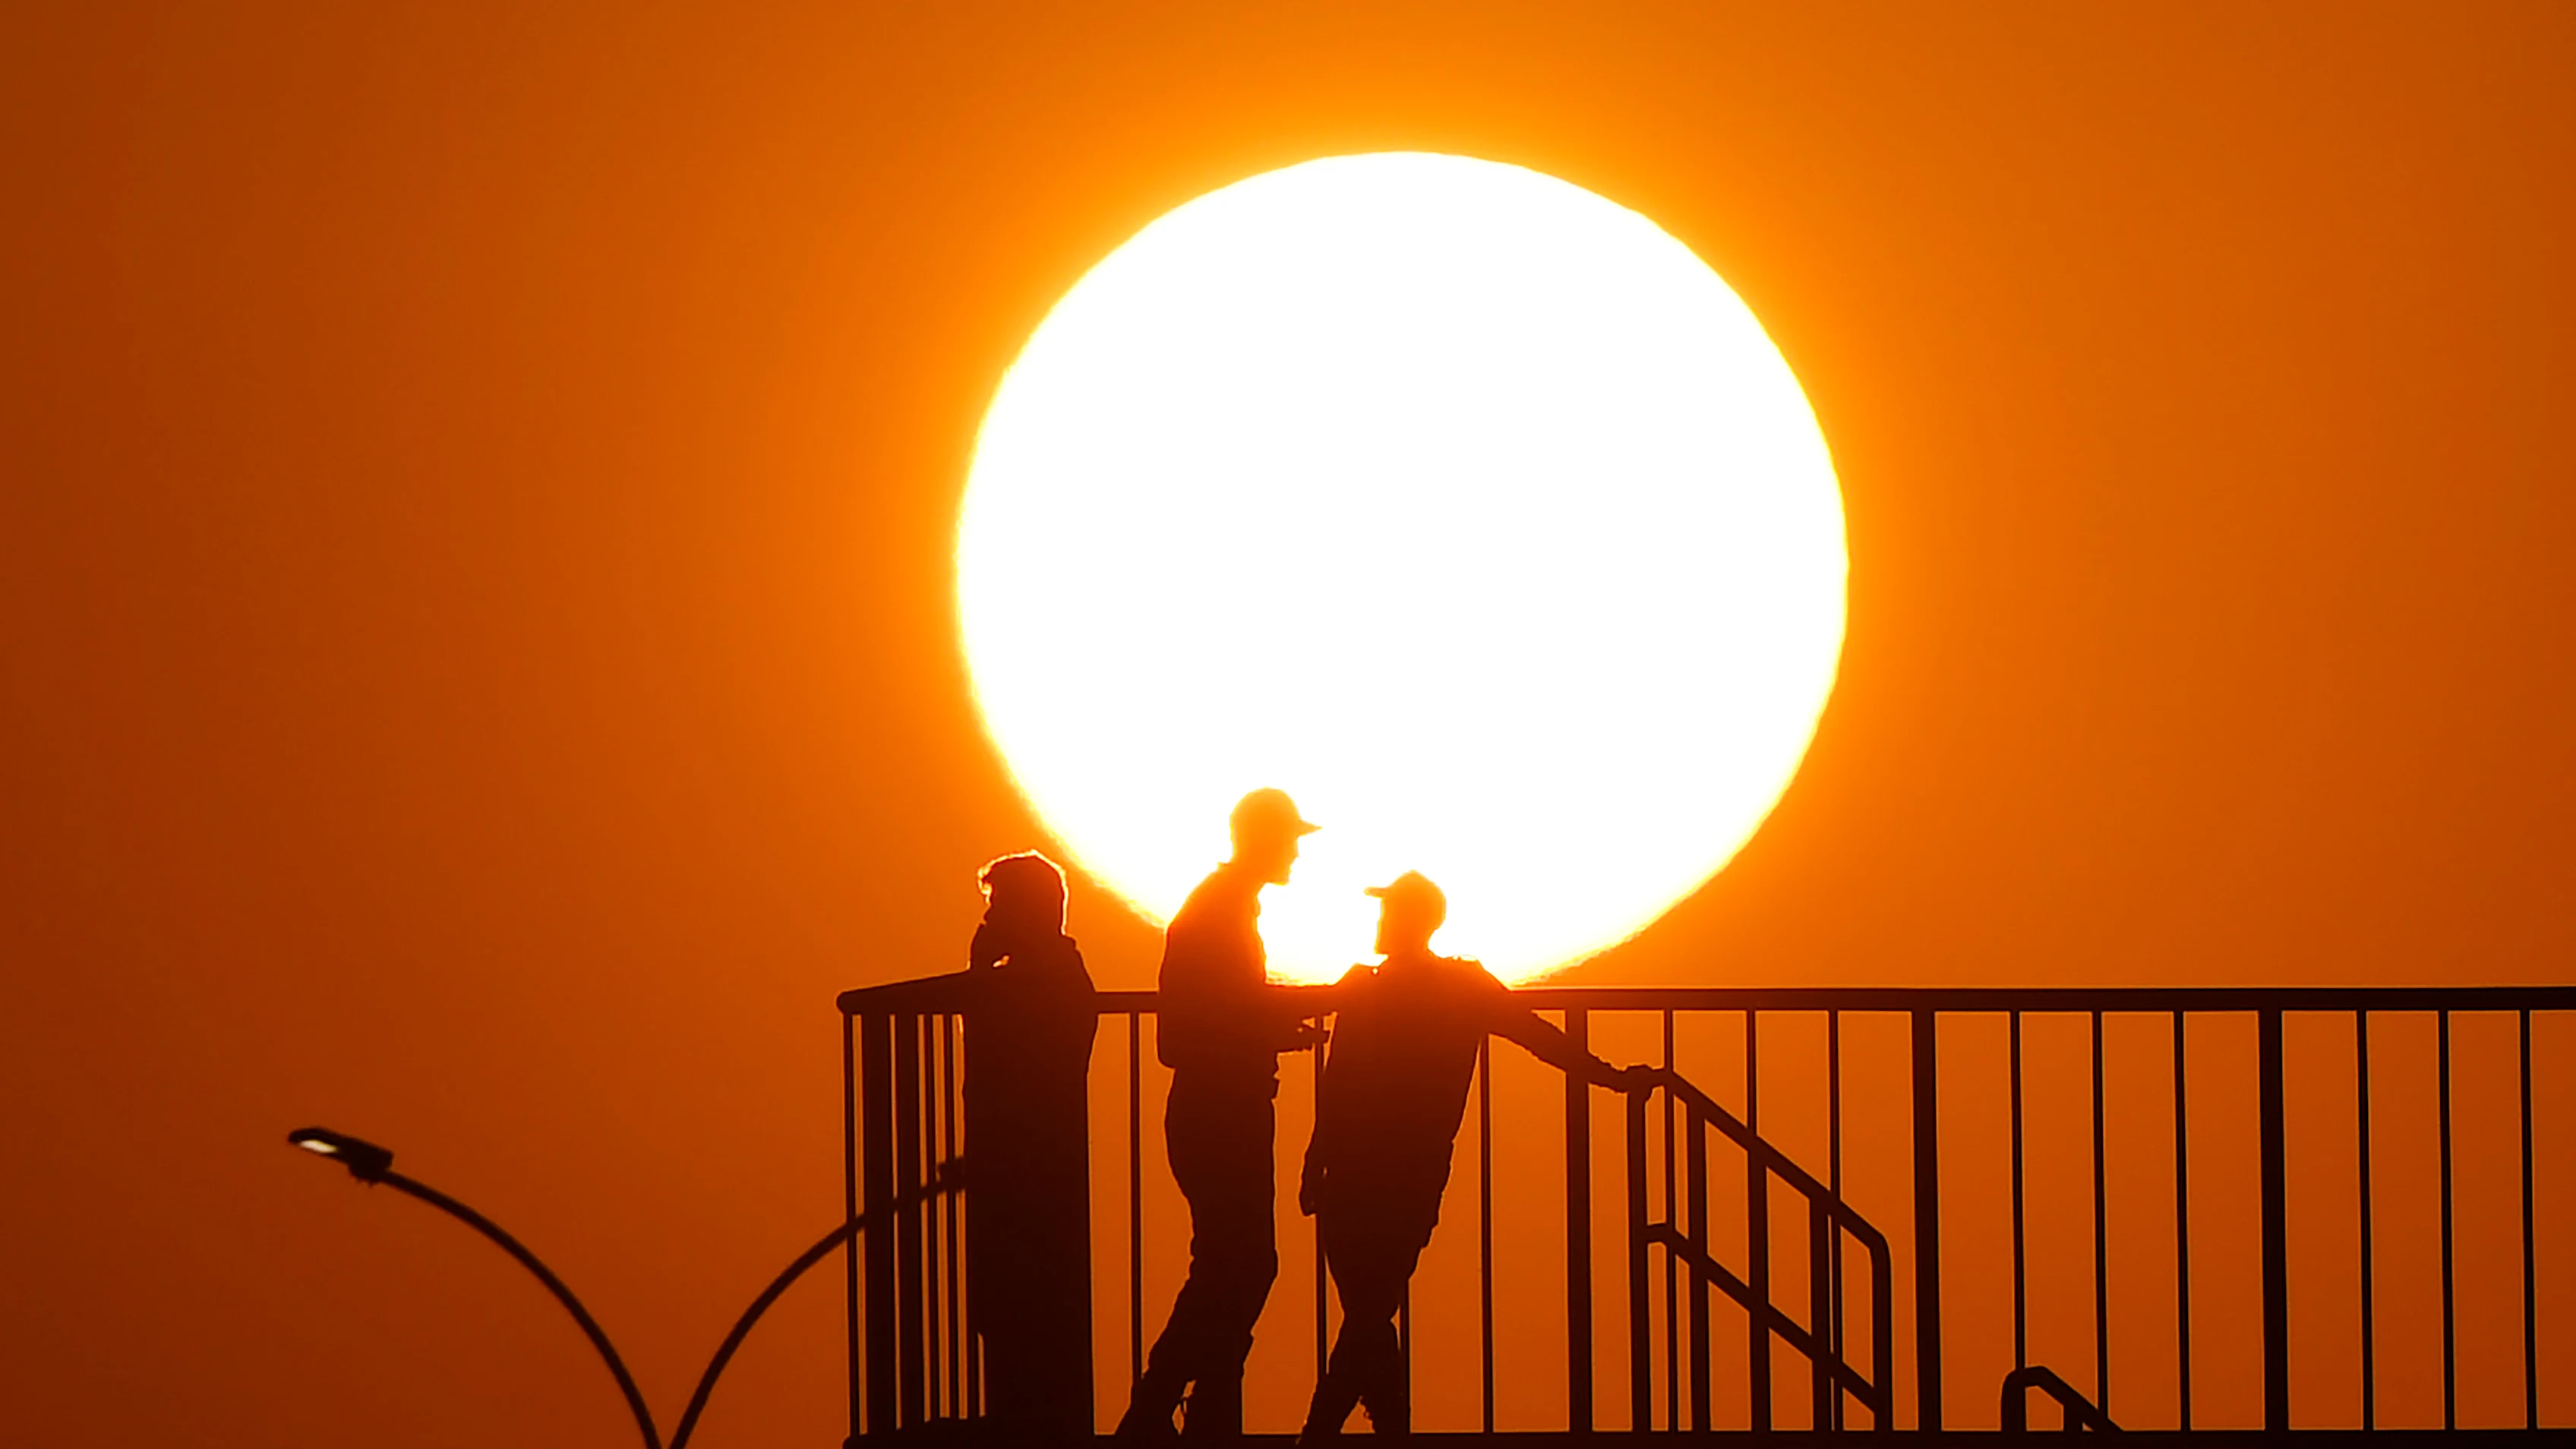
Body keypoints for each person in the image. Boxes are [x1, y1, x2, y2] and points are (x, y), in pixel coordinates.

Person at [1296, 871, 1653, 1441]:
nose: (1380, 921)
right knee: (1370, 1311)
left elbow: (1538, 1039)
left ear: (1415, 921)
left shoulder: (1383, 986)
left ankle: (1324, 1434)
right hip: (1395, 1172)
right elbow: (1540, 1039)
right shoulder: (1436, 985)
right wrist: (1608, 1078)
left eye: (1389, 912)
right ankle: (1383, 1430)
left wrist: (1318, 1157)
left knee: (1367, 1312)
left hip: (1372, 1173)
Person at [1119, 788, 1328, 1443]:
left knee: (1232, 1264)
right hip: (1219, 1113)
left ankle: (1192, 1411)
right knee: (1239, 1264)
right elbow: (1185, 1034)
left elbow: (1226, 1010)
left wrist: (1272, 1025)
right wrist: (1271, 1025)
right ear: (1260, 840)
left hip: (1225, 1109)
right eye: (1289, 838)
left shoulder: (1225, 908)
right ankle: (1159, 1409)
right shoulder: (1219, 913)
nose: (1295, 851)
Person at [961, 851, 1100, 1440]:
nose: (991, 919)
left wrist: (976, 972)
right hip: (1023, 1171)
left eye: (998, 906)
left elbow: (1008, 1066)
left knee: (1025, 1314)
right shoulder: (1040, 977)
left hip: (1030, 1178)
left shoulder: (1043, 983)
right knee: (1012, 1312)